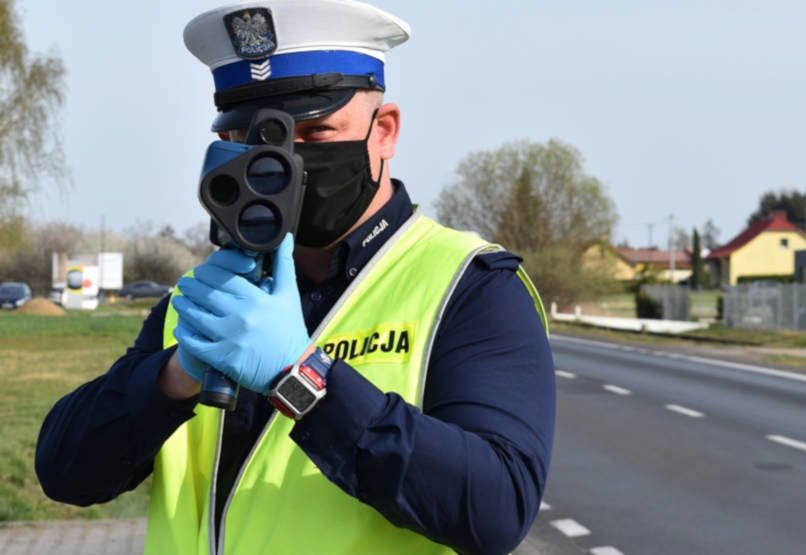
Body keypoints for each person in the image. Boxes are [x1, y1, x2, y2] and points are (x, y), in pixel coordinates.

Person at [34, 2, 555, 554]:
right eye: (247, 137)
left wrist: (303, 381)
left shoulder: (470, 287)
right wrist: (172, 376)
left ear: (384, 132)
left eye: (314, 131)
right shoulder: (203, 302)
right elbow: (66, 474)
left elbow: (496, 510)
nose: (280, 164)